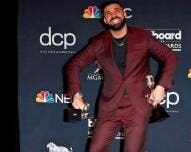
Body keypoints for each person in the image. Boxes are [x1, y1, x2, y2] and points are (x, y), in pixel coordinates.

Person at [65, 1, 178, 151]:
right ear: (105, 20)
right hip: (110, 107)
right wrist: (76, 95)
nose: (113, 15)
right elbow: (74, 65)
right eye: (108, 13)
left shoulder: (142, 36)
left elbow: (170, 56)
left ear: (124, 13)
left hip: (137, 106)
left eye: (117, 10)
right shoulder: (98, 42)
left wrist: (161, 86)